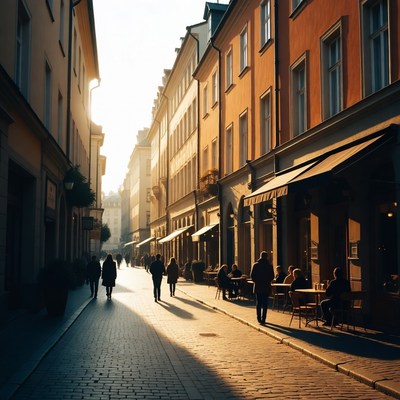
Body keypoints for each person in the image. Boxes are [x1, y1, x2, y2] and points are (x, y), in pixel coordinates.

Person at [250, 251, 274, 325]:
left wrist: (256, 281)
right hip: (266, 286)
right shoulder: (269, 266)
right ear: (267, 257)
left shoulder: (256, 265)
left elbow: (252, 275)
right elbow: (272, 276)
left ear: (260, 256)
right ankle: (263, 318)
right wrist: (267, 281)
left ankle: (259, 318)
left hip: (258, 286)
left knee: (259, 303)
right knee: (265, 303)